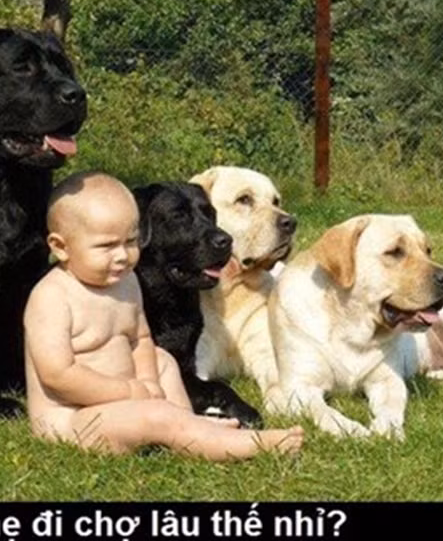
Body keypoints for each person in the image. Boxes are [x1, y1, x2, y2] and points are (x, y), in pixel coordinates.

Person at [23, 171, 304, 461]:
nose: (122, 256)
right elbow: (58, 376)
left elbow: (142, 340)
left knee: (164, 361)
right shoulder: (51, 297)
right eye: (106, 246)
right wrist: (127, 392)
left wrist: (150, 383)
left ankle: (187, 423)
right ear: (60, 247)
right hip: (74, 420)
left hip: (124, 401)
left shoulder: (126, 283)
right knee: (156, 416)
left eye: (131, 242)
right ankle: (248, 444)